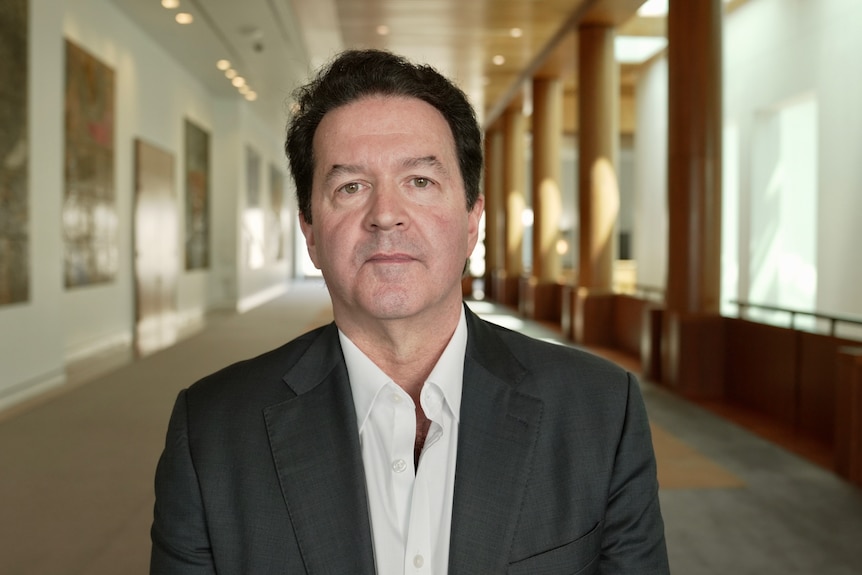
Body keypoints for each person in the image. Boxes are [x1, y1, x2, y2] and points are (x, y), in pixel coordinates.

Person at [150, 49, 669, 574]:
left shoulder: (600, 411)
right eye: (350, 187)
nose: (386, 216)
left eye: (420, 181)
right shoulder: (212, 432)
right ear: (310, 234)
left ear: (472, 221)